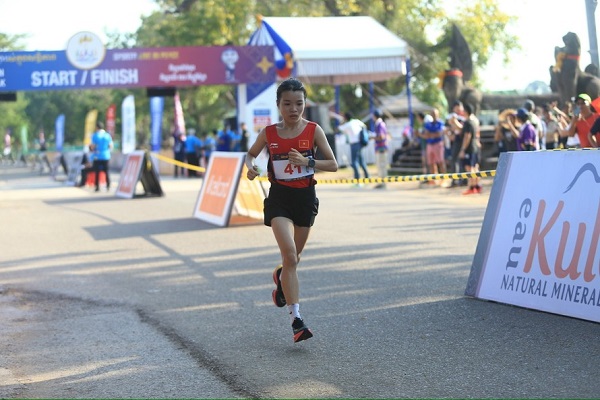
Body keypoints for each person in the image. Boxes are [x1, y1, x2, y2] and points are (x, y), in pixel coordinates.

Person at [245, 78, 338, 343]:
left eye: (299, 103)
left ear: (305, 104)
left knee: (293, 259)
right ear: (278, 105)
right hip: (280, 199)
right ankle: (296, 319)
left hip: (305, 198)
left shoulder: (313, 130)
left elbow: (333, 164)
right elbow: (250, 155)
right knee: (289, 255)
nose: (293, 109)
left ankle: (281, 278)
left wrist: (308, 161)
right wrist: (251, 167)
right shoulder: (269, 133)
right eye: (287, 104)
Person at [455, 103, 482, 195]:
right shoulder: (474, 121)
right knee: (475, 167)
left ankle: (471, 187)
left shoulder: (467, 123)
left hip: (469, 148)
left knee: (469, 168)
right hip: (475, 147)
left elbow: (467, 136)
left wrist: (463, 149)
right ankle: (476, 186)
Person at [338, 112, 369, 184]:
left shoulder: (347, 125)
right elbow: (364, 126)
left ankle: (357, 179)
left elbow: (339, 128)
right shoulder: (356, 121)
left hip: (354, 144)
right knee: (361, 161)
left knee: (354, 162)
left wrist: (342, 121)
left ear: (346, 118)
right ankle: (367, 177)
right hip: (360, 143)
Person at [424, 108, 447, 183]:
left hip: (438, 144)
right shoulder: (428, 124)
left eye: (435, 114)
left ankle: (443, 179)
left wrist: (431, 134)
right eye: (432, 114)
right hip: (430, 145)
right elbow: (427, 134)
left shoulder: (440, 123)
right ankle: (433, 180)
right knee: (431, 163)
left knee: (440, 162)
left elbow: (439, 134)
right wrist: (433, 134)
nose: (434, 115)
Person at [91, 121, 114, 191]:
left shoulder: (95, 135)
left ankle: (97, 187)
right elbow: (110, 146)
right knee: (106, 171)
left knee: (97, 172)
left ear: (97, 127)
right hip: (106, 155)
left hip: (97, 156)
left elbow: (93, 146)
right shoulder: (107, 135)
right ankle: (108, 185)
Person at [372, 110, 389, 189]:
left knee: (381, 165)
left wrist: (373, 137)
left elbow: (381, 136)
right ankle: (382, 182)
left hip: (381, 147)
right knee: (381, 165)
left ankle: (383, 183)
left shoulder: (379, 124)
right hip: (382, 147)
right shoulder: (381, 123)